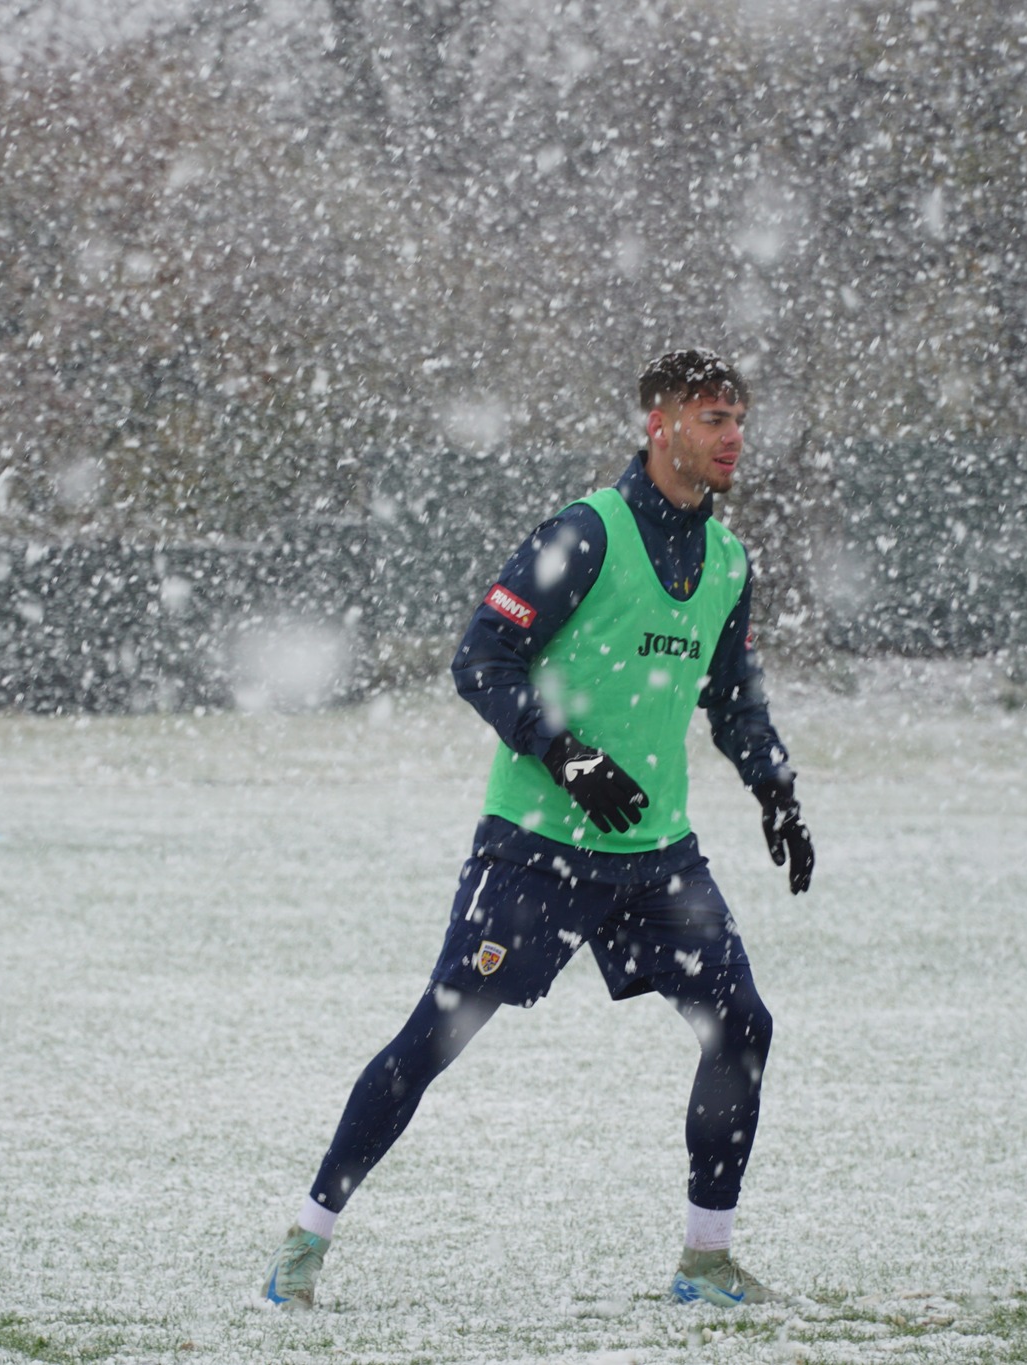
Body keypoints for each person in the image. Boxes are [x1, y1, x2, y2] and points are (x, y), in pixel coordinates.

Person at [260, 348, 816, 1309]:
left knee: (742, 1025)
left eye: (739, 419)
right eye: (713, 417)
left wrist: (775, 787)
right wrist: (568, 756)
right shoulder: (586, 533)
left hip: (655, 857)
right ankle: (301, 1251)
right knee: (433, 1039)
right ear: (661, 425)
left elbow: (734, 699)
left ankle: (705, 1263)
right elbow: (482, 658)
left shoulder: (728, 559)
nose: (733, 437)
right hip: (537, 849)